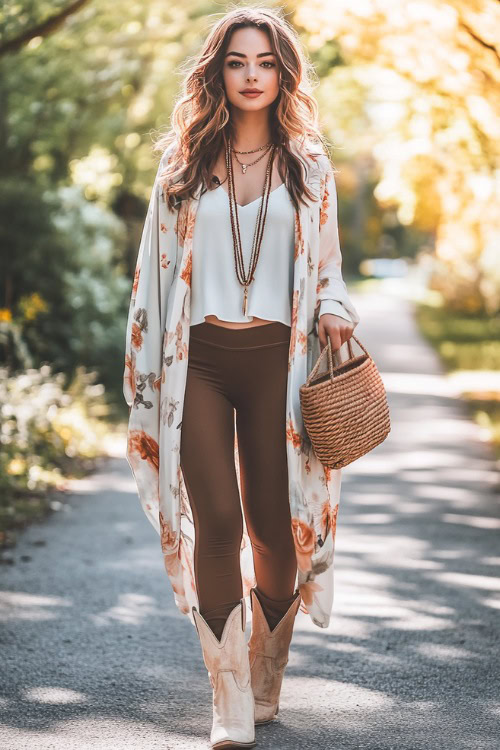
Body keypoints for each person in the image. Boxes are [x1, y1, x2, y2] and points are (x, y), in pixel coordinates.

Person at [123, 6, 360, 749]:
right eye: (236, 62)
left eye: (264, 62)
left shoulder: (309, 167)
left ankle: (266, 670)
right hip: (198, 361)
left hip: (278, 367)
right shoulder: (183, 167)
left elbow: (329, 271)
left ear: (282, 72)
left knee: (272, 525)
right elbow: (152, 282)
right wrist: (143, 369)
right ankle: (226, 701)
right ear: (216, 72)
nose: (251, 75)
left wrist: (333, 309)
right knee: (216, 520)